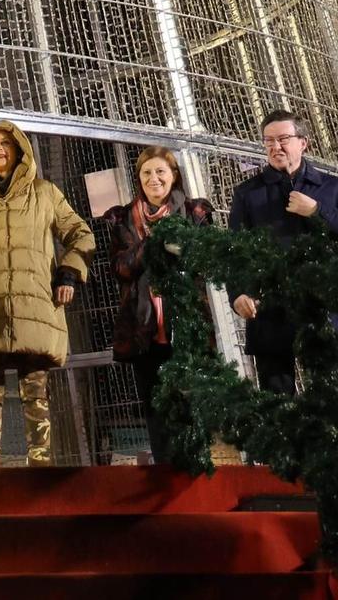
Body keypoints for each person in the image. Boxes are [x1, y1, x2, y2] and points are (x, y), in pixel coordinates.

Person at [0, 120, 96, 465]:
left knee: (37, 390)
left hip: (35, 303)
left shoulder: (45, 193)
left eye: (5, 143)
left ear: (19, 150)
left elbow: (81, 234)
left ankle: (40, 470)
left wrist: (68, 275)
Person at [227, 110, 338, 395]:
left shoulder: (331, 188)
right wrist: (238, 294)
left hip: (323, 312)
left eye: (283, 139)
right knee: (278, 412)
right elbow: (235, 251)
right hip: (269, 311)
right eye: (268, 141)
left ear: (303, 143)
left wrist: (317, 211)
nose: (275, 147)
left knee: (328, 407)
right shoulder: (248, 193)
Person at [98, 145, 209, 465]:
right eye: (146, 172)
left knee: (190, 400)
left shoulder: (194, 213)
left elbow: (203, 261)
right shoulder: (122, 219)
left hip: (185, 322)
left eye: (160, 171)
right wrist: (151, 244)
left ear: (173, 176)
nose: (153, 178)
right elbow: (119, 268)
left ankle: (196, 469)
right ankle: (165, 471)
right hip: (142, 326)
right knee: (155, 403)